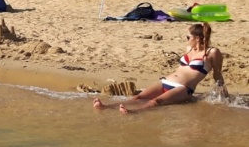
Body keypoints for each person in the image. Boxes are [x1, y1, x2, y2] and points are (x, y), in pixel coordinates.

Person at [93, 22, 227, 114]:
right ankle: (107, 107)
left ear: (197, 38)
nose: (186, 39)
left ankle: (134, 112)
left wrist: (222, 93)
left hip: (183, 89)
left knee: (155, 101)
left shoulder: (212, 52)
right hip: (165, 82)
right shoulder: (189, 48)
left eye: (188, 37)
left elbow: (217, 73)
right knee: (137, 98)